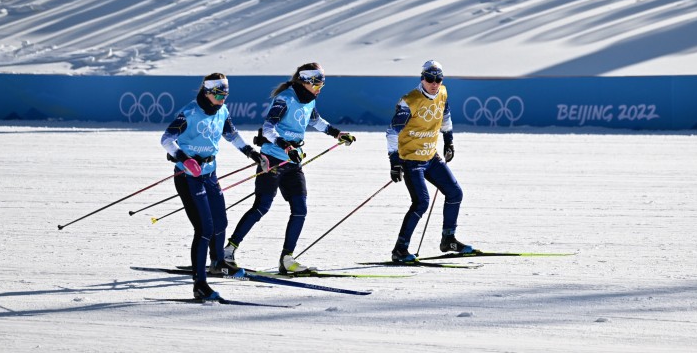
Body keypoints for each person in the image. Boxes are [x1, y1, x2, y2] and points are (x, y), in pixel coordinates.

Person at [222, 62, 356, 275]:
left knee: (300, 209)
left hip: (293, 162)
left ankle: (287, 258)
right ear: (306, 81)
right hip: (273, 159)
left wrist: (337, 134)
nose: (321, 86)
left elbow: (316, 121)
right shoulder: (285, 98)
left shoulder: (309, 99)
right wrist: (286, 146)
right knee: (262, 206)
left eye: (323, 82)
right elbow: (268, 128)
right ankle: (228, 250)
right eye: (318, 82)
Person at [160, 72, 264, 302]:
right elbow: (166, 139)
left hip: (210, 173)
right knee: (204, 229)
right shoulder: (190, 112)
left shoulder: (223, 111)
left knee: (221, 221)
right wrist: (183, 158)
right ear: (207, 92)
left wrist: (251, 153)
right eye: (218, 93)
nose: (222, 98)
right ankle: (200, 285)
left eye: (225, 93)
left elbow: (231, 135)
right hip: (188, 176)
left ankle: (217, 263)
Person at [386, 60, 477, 263]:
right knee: (421, 202)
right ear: (422, 78)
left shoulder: (443, 93)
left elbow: (445, 117)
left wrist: (449, 142)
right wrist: (394, 161)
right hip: (411, 161)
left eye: (438, 79)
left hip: (431, 157)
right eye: (430, 79)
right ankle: (400, 249)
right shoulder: (409, 101)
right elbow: (392, 132)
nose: (434, 83)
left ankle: (448, 239)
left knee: (455, 193)